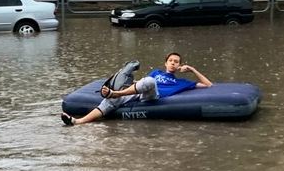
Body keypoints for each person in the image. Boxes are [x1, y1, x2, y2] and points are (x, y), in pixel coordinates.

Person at [61, 52, 212, 125]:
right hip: (138, 92)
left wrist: (192, 69)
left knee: (150, 81)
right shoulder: (156, 72)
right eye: (170, 60)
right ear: (166, 63)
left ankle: (115, 93)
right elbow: (141, 82)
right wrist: (126, 84)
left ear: (179, 65)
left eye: (176, 62)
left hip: (153, 96)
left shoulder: (182, 82)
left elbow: (208, 85)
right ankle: (77, 122)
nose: (173, 63)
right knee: (111, 102)